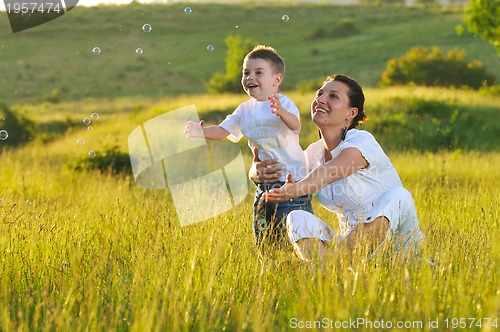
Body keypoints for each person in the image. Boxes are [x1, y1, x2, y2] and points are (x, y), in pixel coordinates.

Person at [251, 74, 425, 264]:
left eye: (333, 96)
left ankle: (336, 265)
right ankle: (329, 272)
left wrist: (298, 188)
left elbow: (331, 171)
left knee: (399, 196)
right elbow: (279, 170)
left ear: (351, 113)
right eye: (320, 94)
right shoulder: (313, 153)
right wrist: (257, 173)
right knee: (297, 218)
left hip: (397, 248)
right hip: (350, 247)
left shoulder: (362, 141)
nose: (321, 100)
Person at [185, 45, 312, 245]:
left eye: (258, 73)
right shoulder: (244, 110)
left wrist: (281, 112)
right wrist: (201, 132)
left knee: (295, 237)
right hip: (264, 186)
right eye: (246, 73)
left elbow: (296, 125)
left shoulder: (283, 103)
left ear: (276, 80)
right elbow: (222, 130)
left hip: (292, 183)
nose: (250, 77)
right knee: (265, 239)